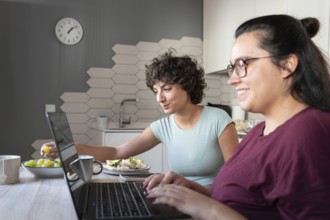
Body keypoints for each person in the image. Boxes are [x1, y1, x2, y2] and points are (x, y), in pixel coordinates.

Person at [142, 14, 330, 219]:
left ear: (286, 65)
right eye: (233, 68)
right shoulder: (260, 131)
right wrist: (195, 191)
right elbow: (243, 199)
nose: (231, 80)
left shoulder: (310, 130)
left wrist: (208, 209)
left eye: (243, 64)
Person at [42, 49, 239, 186]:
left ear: (187, 85)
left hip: (214, 199)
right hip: (180, 196)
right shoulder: (163, 126)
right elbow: (117, 152)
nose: (159, 98)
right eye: (155, 90)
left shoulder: (218, 119)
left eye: (167, 89)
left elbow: (235, 179)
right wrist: (72, 149)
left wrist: (197, 191)